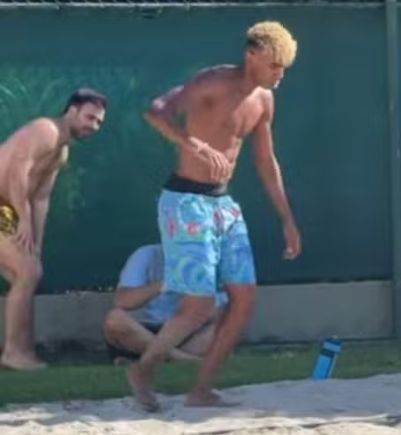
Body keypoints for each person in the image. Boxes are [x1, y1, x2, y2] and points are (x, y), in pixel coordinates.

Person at [127, 21, 302, 411]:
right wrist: (195, 145)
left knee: (244, 299)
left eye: (284, 67)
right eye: (275, 65)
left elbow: (266, 161)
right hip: (185, 201)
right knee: (199, 306)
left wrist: (287, 219)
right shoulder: (213, 82)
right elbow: (156, 111)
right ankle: (143, 369)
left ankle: (201, 390)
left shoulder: (264, 101)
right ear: (252, 56)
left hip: (223, 205)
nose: (280, 74)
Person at [0, 88, 107, 370]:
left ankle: (23, 351)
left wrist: (36, 243)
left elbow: (41, 198)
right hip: (5, 206)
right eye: (90, 117)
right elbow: (16, 172)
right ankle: (13, 352)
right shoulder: (45, 130)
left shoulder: (61, 152)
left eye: (99, 122)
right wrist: (23, 219)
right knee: (27, 271)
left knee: (28, 270)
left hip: (6, 209)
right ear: (72, 110)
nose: (94, 126)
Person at [102, 244, 227, 364]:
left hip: (186, 335)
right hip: (141, 333)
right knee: (114, 319)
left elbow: (218, 311)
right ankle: (185, 361)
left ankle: (149, 361)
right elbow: (123, 301)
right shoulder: (147, 254)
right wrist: (165, 284)